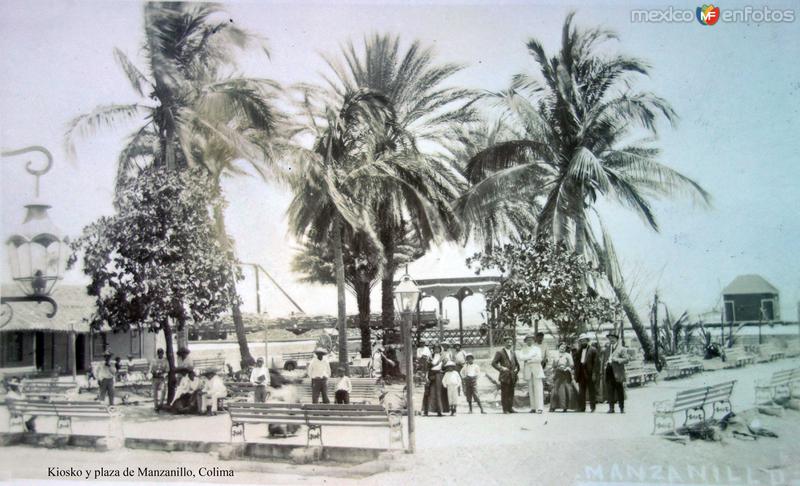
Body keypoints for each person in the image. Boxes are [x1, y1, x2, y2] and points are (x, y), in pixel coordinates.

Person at [518, 333, 545, 413]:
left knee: (538, 389)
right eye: (527, 340)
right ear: (525, 341)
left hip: (537, 370)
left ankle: (540, 407)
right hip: (528, 371)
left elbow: (539, 359)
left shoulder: (537, 349)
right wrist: (532, 356)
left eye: (531, 340)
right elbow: (521, 357)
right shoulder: (523, 349)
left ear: (533, 340)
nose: (529, 341)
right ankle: (533, 407)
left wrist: (528, 360)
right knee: (531, 389)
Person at [491, 336, 519, 413]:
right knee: (505, 393)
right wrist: (501, 368)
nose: (509, 344)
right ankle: (505, 409)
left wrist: (517, 369)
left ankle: (510, 408)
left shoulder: (513, 352)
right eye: (507, 342)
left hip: (512, 376)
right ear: (504, 343)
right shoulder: (500, 352)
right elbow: (493, 363)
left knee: (511, 392)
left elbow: (516, 364)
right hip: (504, 376)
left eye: (511, 342)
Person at [603, 332, 629, 413]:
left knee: (619, 390)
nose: (611, 340)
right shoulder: (607, 349)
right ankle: (611, 408)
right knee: (610, 390)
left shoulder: (622, 349)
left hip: (617, 372)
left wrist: (617, 360)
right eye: (610, 338)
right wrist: (605, 364)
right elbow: (605, 359)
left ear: (617, 339)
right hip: (609, 371)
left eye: (613, 338)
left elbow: (626, 359)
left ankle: (621, 408)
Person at [573, 333, 599, 412]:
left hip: (589, 372)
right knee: (581, 391)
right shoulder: (579, 350)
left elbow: (596, 363)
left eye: (584, 340)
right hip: (581, 372)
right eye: (581, 341)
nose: (583, 342)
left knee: (591, 390)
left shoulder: (593, 349)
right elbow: (576, 361)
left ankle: (592, 407)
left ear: (587, 341)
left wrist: (594, 373)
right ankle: (582, 407)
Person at [549, 342, 575, 412]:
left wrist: (567, 368)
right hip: (558, 373)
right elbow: (553, 366)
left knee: (565, 390)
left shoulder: (568, 355)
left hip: (565, 374)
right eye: (561, 347)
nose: (562, 349)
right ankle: (553, 407)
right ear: (558, 347)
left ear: (565, 349)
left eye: (564, 347)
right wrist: (555, 368)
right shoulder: (555, 355)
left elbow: (572, 365)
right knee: (555, 390)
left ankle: (565, 407)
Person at [423, 344, 444, 416]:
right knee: (429, 392)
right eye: (435, 348)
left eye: (438, 348)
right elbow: (427, 368)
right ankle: (427, 410)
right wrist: (426, 376)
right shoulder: (430, 358)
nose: (436, 350)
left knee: (438, 393)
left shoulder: (442, 357)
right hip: (431, 374)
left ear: (440, 349)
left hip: (439, 375)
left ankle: (439, 410)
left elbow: (445, 367)